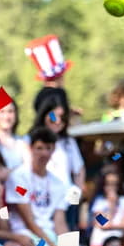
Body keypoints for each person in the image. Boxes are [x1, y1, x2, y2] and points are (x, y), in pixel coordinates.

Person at [5, 127, 102, 246]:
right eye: (39, 148)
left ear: (53, 150)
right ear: (31, 148)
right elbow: (29, 221)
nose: (43, 153)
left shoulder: (58, 183)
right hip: (28, 234)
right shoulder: (19, 177)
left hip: (50, 234)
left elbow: (59, 221)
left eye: (48, 148)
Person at [27, 98, 85, 231]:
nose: (58, 121)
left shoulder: (68, 142)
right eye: (53, 116)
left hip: (66, 198)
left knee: (67, 235)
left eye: (62, 117)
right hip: (42, 198)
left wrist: (77, 193)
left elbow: (79, 169)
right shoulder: (30, 139)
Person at [88, 165, 124, 246]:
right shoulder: (98, 202)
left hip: (118, 244)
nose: (112, 188)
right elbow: (102, 224)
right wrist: (112, 207)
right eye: (108, 184)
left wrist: (111, 224)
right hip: (99, 243)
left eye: (115, 184)